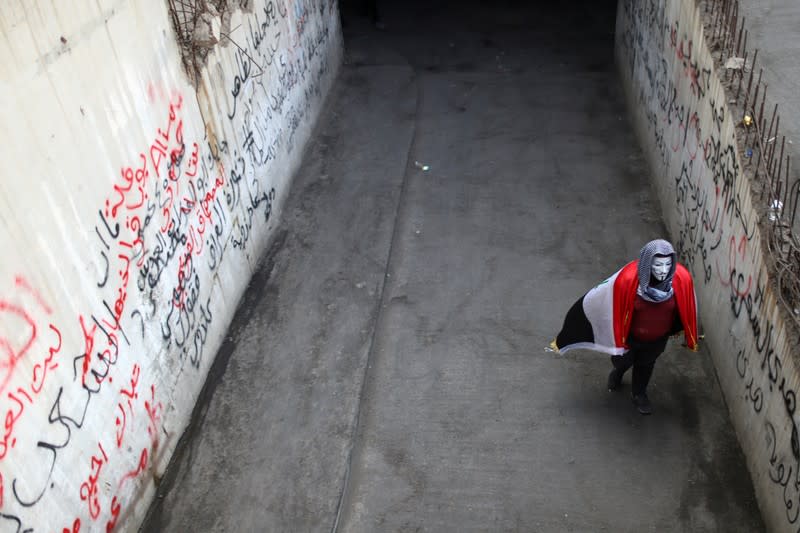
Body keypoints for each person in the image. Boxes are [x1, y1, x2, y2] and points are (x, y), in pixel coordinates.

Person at [549, 239, 699, 415]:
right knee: (623, 360)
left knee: (646, 364)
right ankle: (618, 372)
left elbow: (686, 306)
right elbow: (609, 303)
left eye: (668, 264)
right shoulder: (628, 281)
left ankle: (639, 394)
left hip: (658, 338)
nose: (663, 270)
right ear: (647, 263)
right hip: (630, 337)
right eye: (657, 265)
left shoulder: (681, 280)